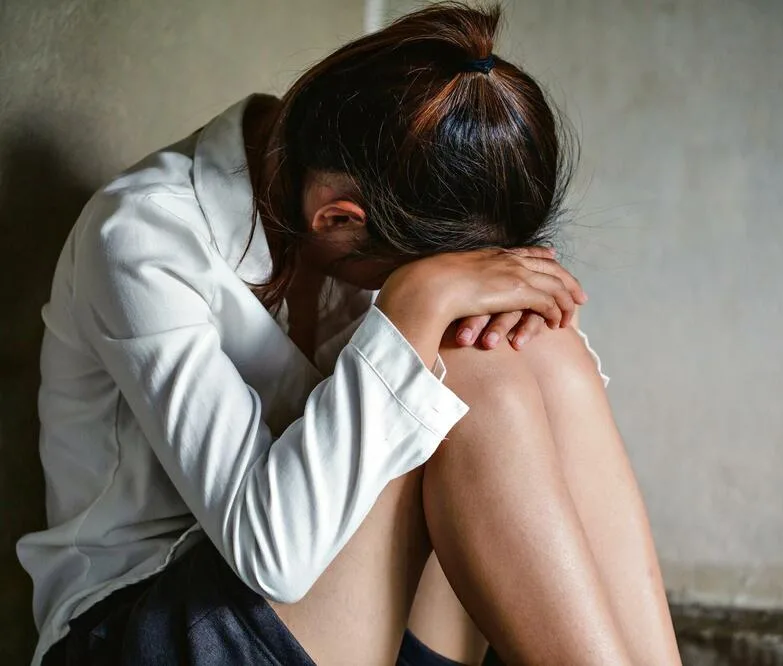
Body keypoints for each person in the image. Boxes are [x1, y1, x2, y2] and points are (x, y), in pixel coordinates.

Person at [18, 3, 682, 665]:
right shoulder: (142, 237)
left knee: (526, 351)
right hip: (143, 628)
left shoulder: (379, 174)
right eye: (408, 267)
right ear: (338, 220)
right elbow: (272, 555)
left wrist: (519, 309)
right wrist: (418, 304)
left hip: (333, 609)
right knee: (464, 368)